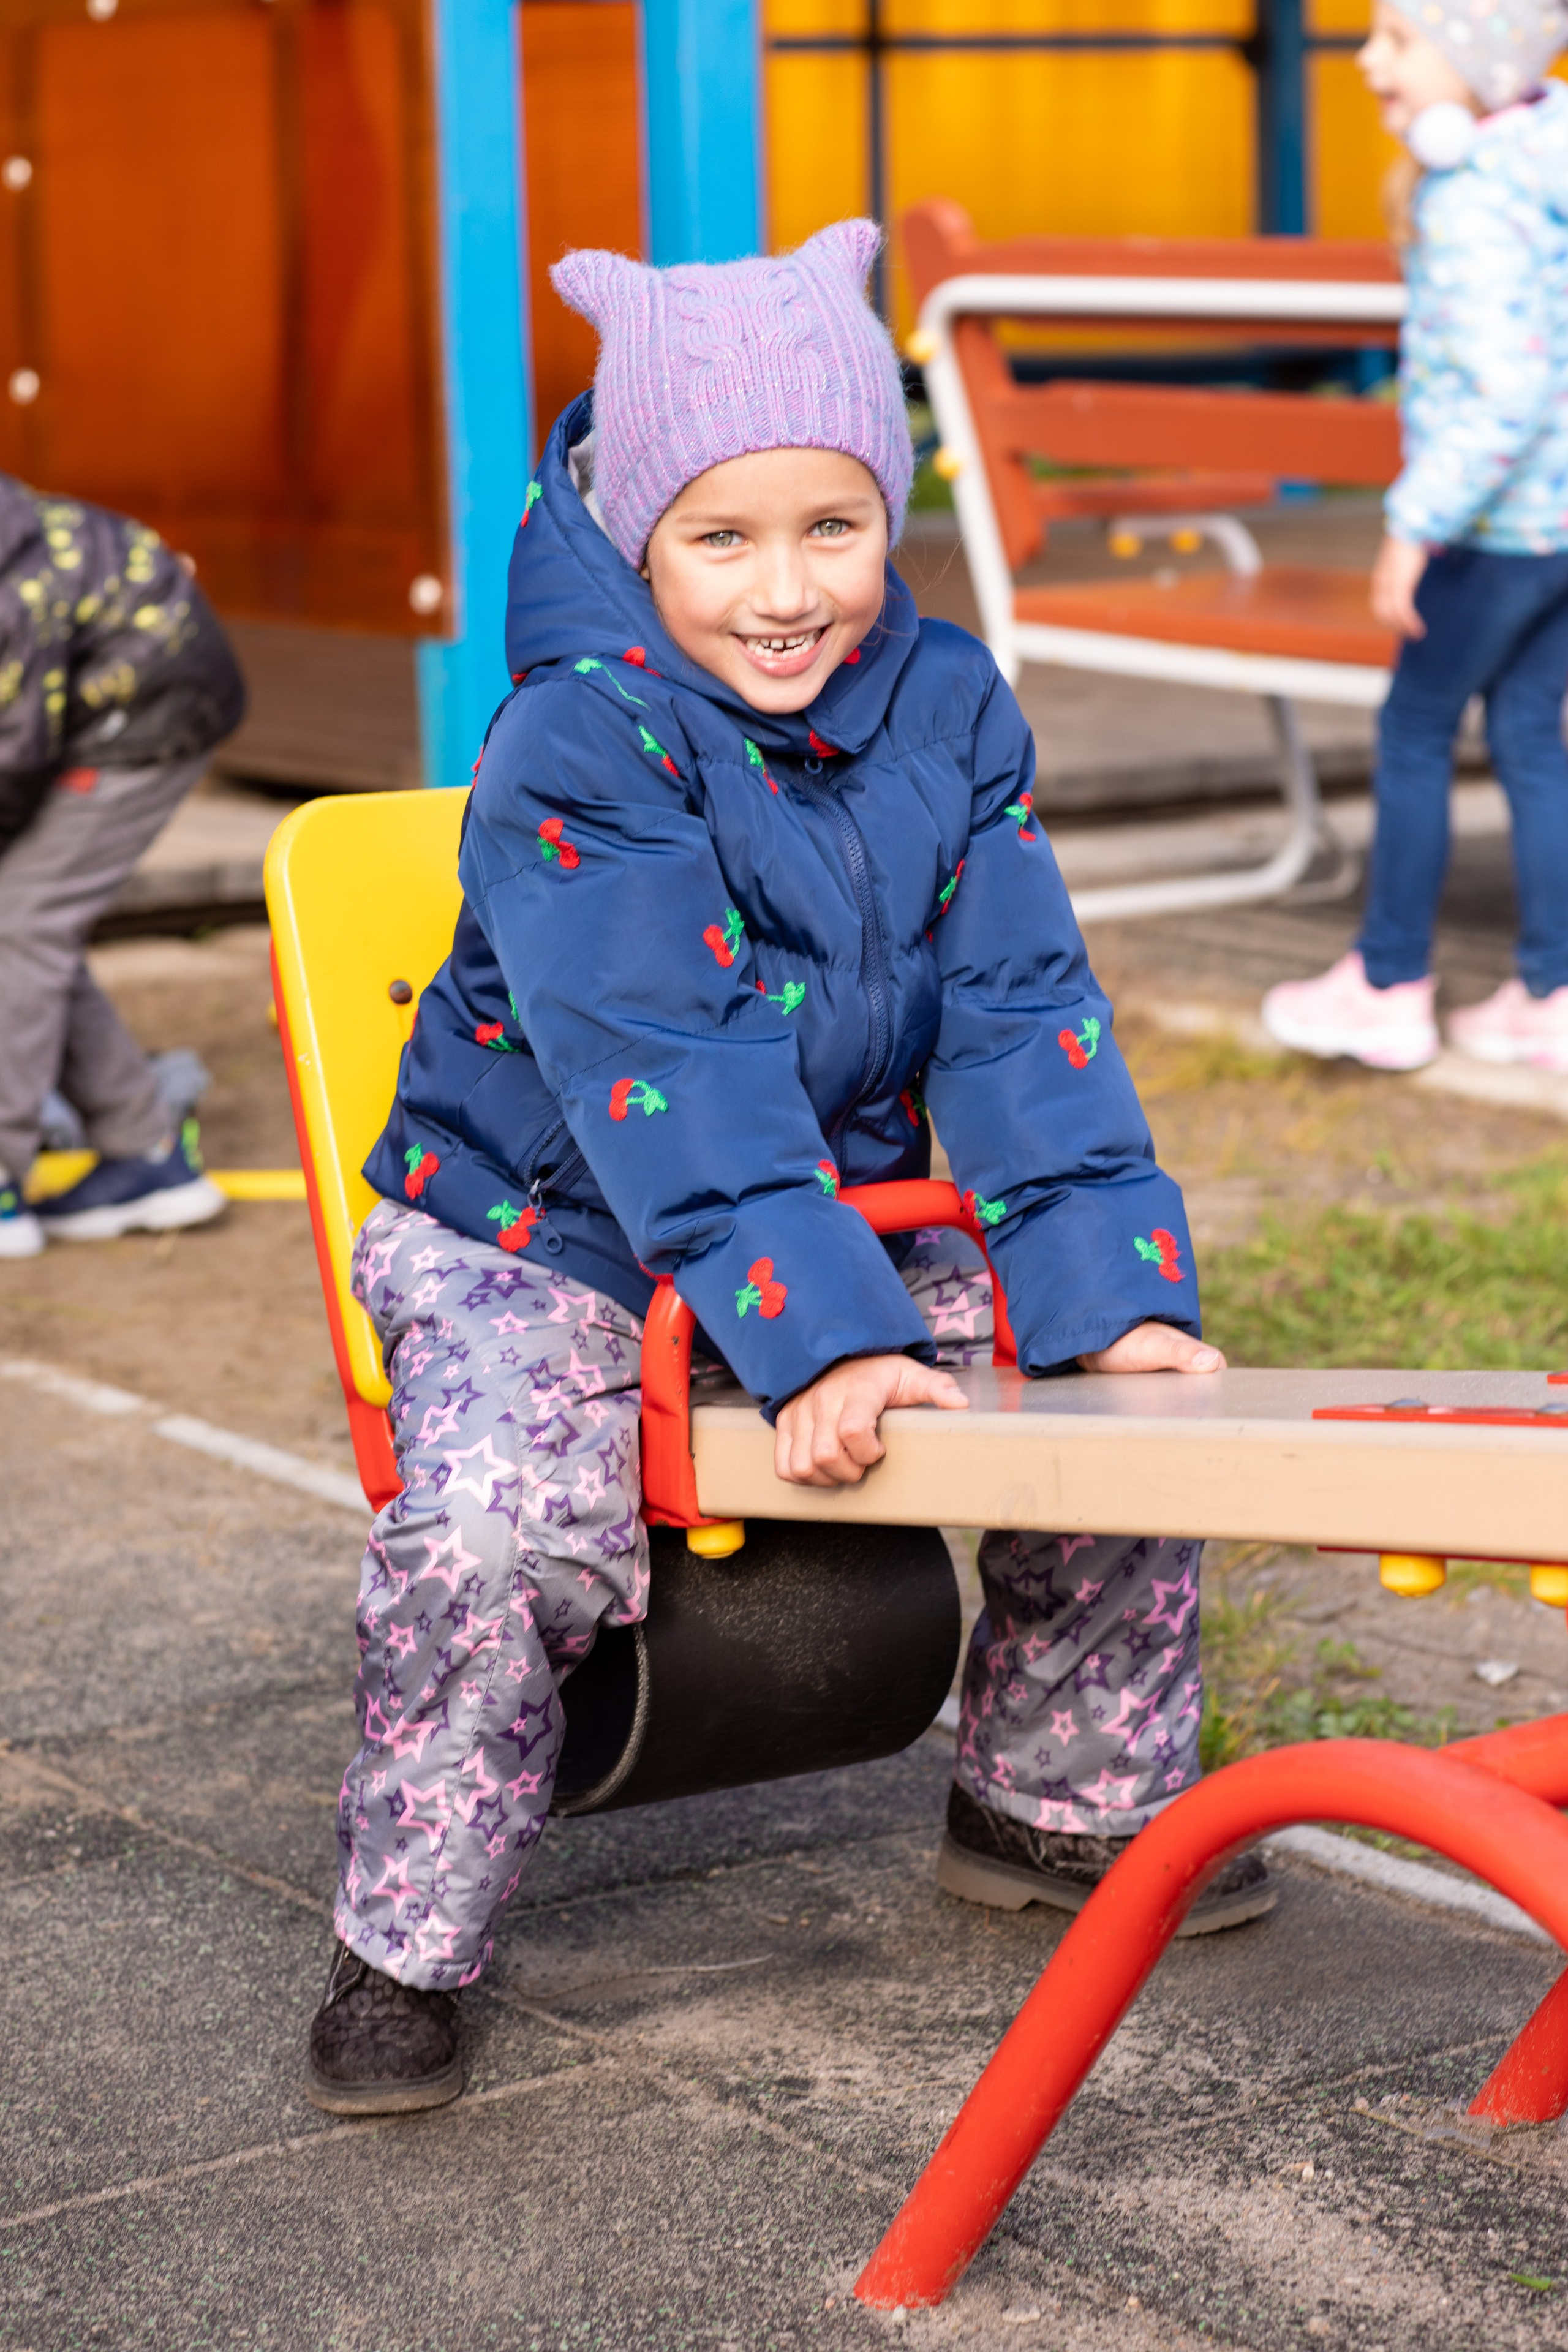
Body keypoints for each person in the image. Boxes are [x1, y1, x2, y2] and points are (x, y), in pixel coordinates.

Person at [303, 222, 1276, 2118]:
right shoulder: (574, 739)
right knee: (500, 1529)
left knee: (1113, 1381)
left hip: (785, 1220)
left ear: (888, 508)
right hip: (542, 1227)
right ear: (635, 530)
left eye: (832, 526)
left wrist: (1106, 1283)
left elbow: (1016, 1007)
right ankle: (403, 1934)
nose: (783, 591)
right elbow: (669, 1068)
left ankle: (1051, 1797)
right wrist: (821, 1333)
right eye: (720, 538)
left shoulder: (946, 702)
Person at [1262, 0, 1568, 1074]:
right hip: (1558, 525)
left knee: (1416, 730)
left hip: (1490, 525)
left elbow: (1505, 392)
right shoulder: (1541, 165)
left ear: (1476, 64)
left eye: (1397, 38)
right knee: (1531, 737)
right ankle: (1553, 993)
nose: (1365, 58)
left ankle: (1390, 984)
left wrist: (1412, 525)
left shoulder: (1476, 198)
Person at [0, 479, 244, 1257]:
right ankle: (146, 1154)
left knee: (21, 921)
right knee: (29, 920)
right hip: (84, 698)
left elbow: (14, 749)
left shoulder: (15, 590)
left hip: (146, 712)